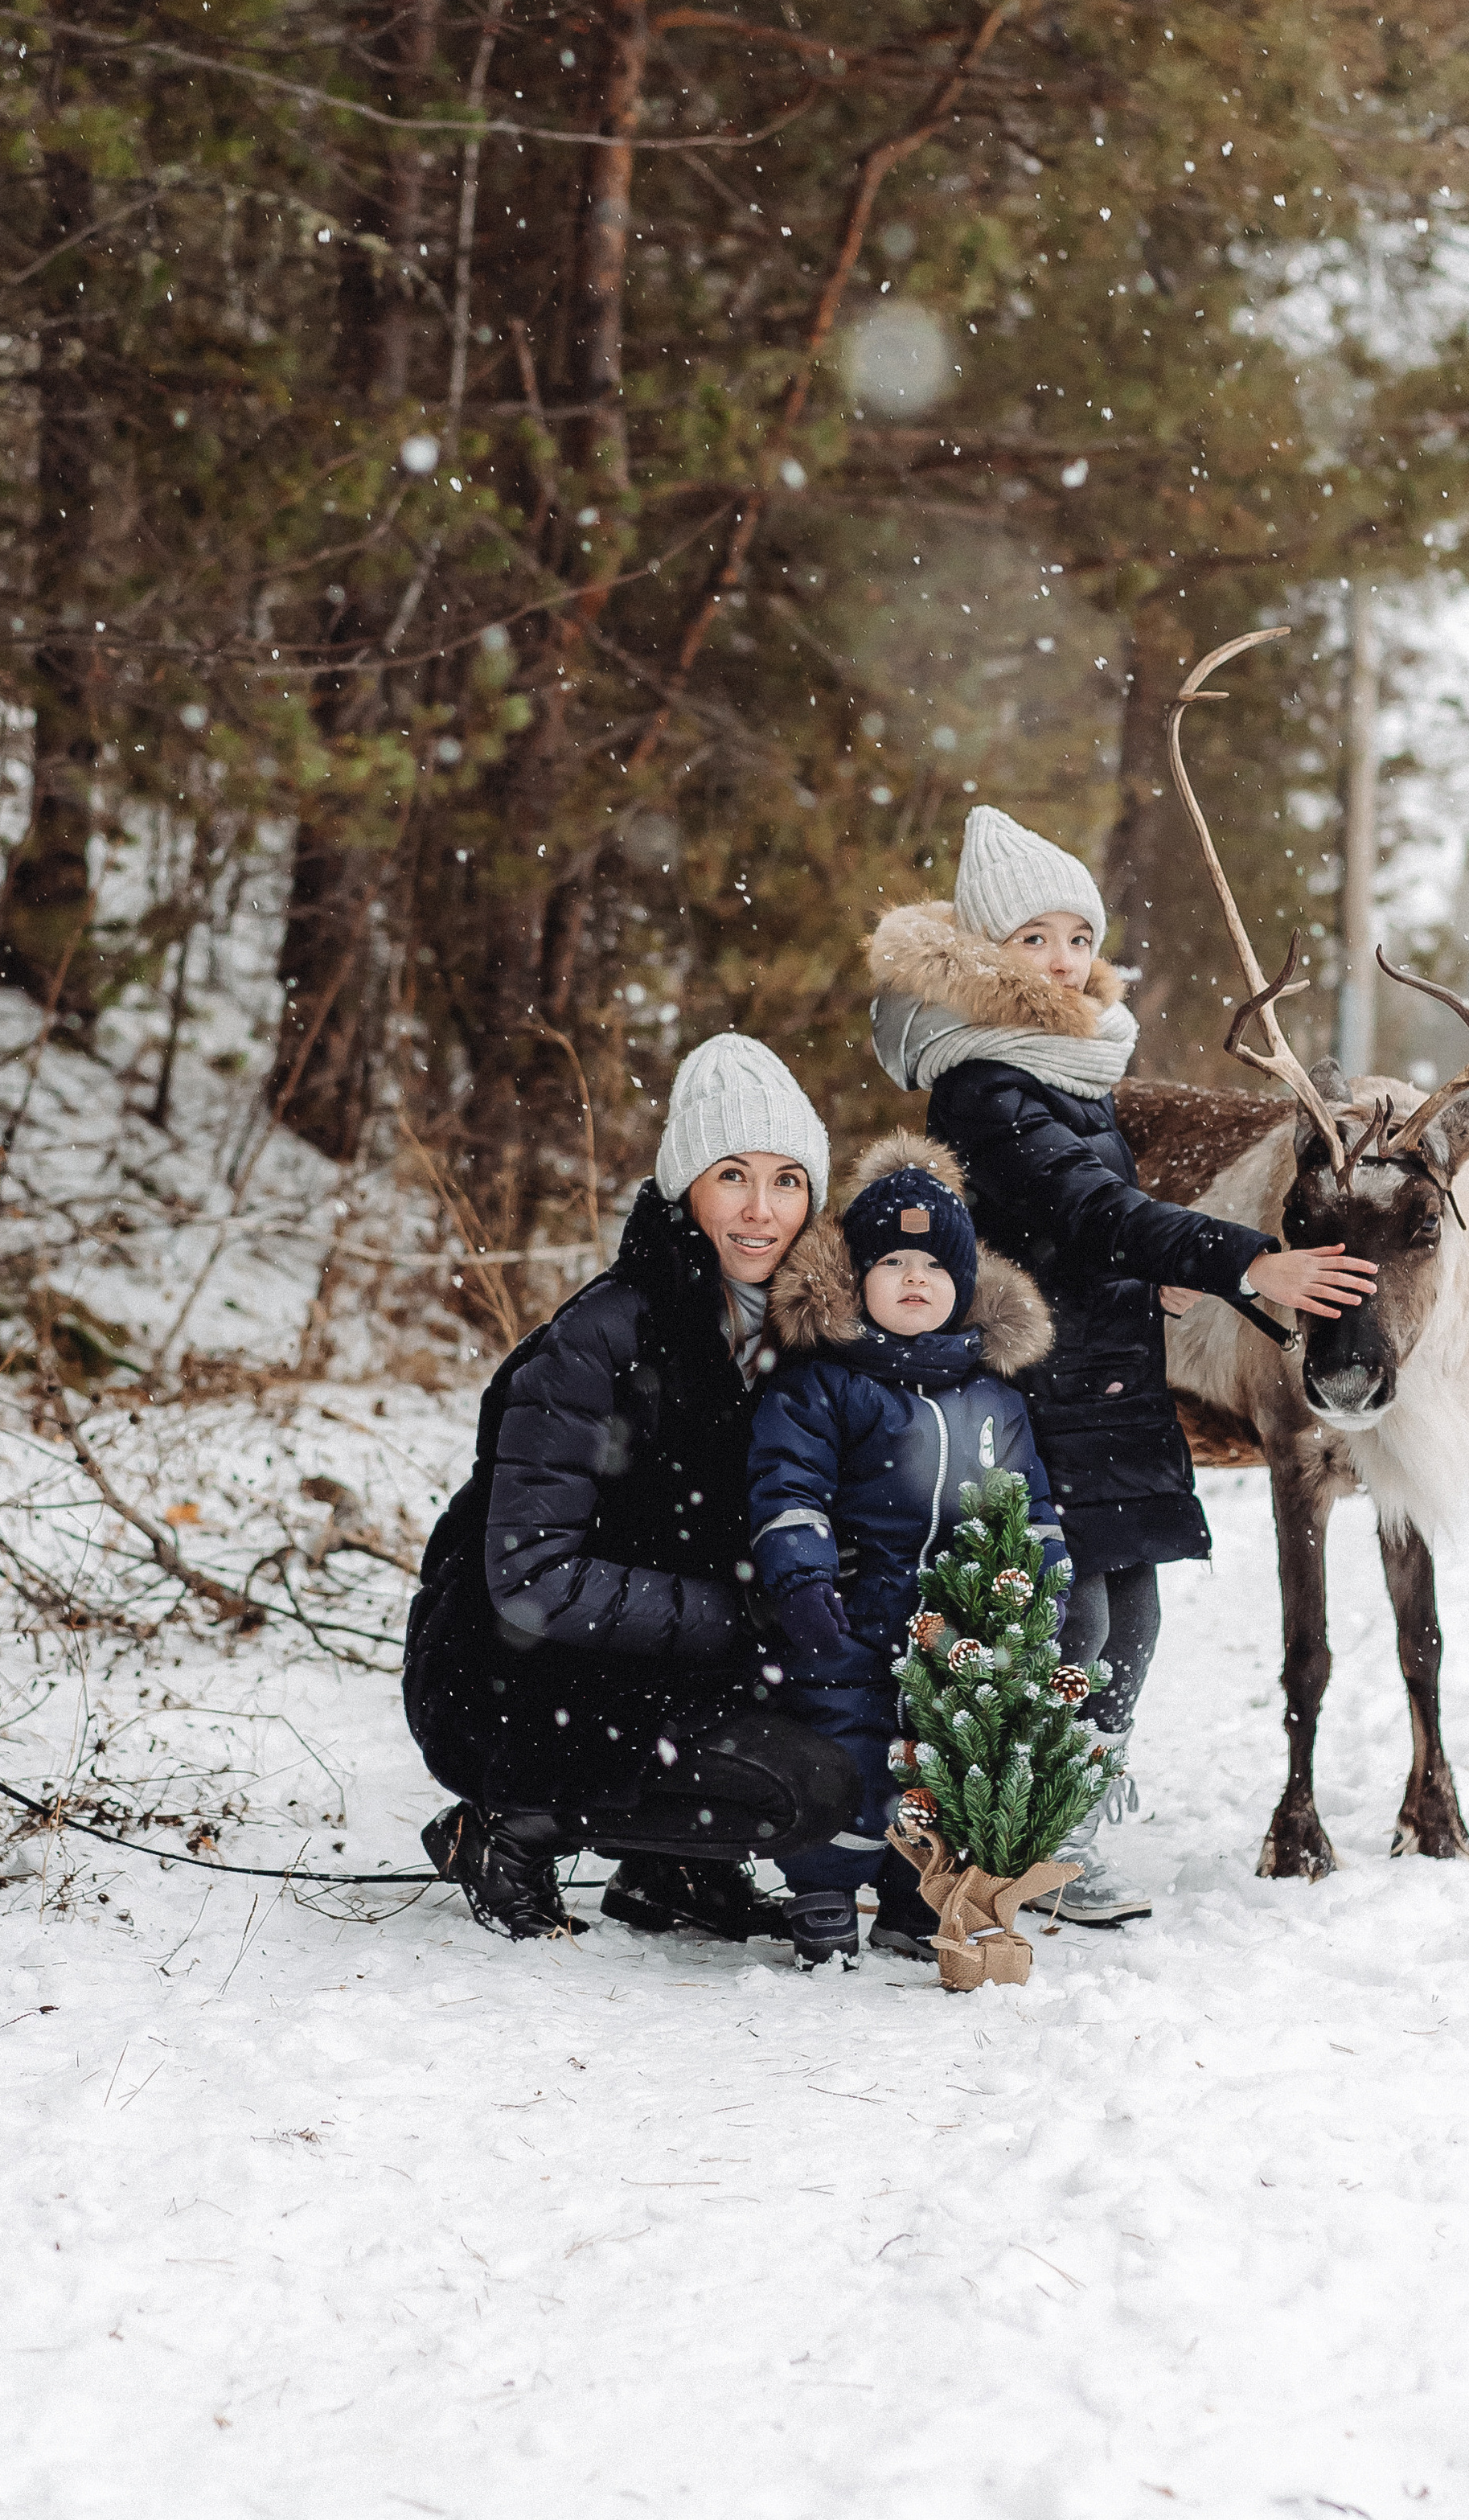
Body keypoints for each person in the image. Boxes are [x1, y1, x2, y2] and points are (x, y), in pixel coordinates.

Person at [866, 803, 1376, 1923]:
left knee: (1129, 1617)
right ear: (986, 953)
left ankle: (1069, 1816)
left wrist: (1148, 1282)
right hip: (1036, 1387)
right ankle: (1018, 1831)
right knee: (1073, 1622)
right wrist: (1248, 1262)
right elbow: (1088, 1203)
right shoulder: (985, 1078)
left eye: (1078, 938)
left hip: (1100, 1370)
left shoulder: (1065, 1066)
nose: (1062, 959)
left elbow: (1066, 1228)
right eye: (1033, 938)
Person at [403, 1032, 860, 1943]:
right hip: (520, 1674)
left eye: (786, 1179)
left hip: (663, 1660)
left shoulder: (805, 1335)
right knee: (806, 1789)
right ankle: (506, 1831)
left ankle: (670, 1872)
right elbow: (530, 1575)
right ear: (685, 1188)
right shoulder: (602, 1337)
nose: (761, 1209)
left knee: (845, 1729)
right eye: (732, 1175)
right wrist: (742, 1612)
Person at [747, 1132, 1068, 1970]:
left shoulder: (994, 1397)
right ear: (857, 1280)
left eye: (932, 1265)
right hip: (851, 1619)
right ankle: (822, 1891)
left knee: (937, 1765)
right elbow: (788, 1487)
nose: (913, 1277)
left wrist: (1044, 1586)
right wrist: (803, 1579)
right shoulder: (824, 1383)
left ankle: (909, 1897)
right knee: (851, 1751)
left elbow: (1030, 1504)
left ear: (964, 1284)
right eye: (891, 1262)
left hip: (958, 1630)